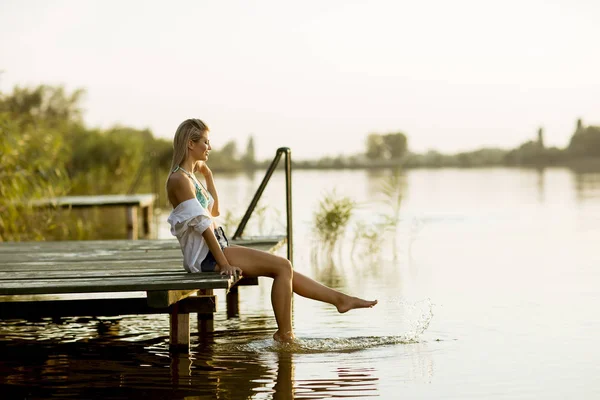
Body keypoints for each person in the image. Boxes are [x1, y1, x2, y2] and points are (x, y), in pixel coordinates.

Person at [166, 118, 377, 342]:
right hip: (205, 256)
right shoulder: (179, 179)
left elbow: (214, 211)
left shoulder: (191, 178)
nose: (210, 147)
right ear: (191, 143)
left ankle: (339, 300)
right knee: (283, 267)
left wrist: (208, 176)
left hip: (216, 247)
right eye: (206, 142)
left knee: (285, 269)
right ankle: (285, 334)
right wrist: (225, 263)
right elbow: (204, 226)